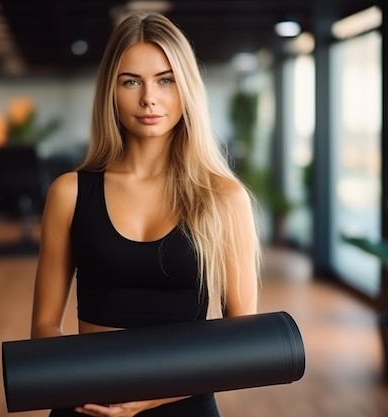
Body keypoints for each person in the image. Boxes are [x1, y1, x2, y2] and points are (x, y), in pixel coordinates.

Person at [31, 11, 261, 417]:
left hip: (185, 406)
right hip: (86, 403)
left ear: (186, 88)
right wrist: (87, 385)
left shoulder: (224, 198)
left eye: (165, 79)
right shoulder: (69, 192)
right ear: (111, 92)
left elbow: (242, 341)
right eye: (131, 81)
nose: (148, 98)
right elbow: (45, 325)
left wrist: (148, 398)